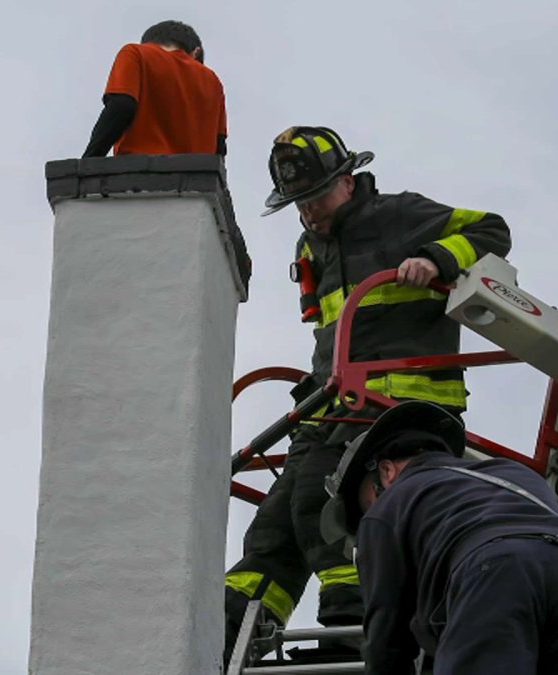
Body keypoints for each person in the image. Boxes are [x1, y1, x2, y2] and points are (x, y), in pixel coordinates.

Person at [223, 126, 512, 662]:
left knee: (318, 496)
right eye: (298, 204)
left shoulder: (399, 214)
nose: (308, 212)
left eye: (315, 197)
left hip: (399, 402)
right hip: (333, 399)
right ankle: (233, 626)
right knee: (275, 524)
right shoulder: (313, 244)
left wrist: (437, 259)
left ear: (348, 181)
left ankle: (353, 625)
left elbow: (491, 230)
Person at [322, 400, 558, 675]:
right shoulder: (511, 473)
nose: (371, 515)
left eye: (368, 502)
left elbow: (388, 635)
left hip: (496, 574)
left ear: (386, 471)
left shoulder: (387, 506)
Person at [82, 21, 227, 157]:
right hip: (196, 179)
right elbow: (220, 145)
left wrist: (90, 161)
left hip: (141, 172)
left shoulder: (136, 53)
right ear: (196, 52)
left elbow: (121, 105)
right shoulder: (213, 81)